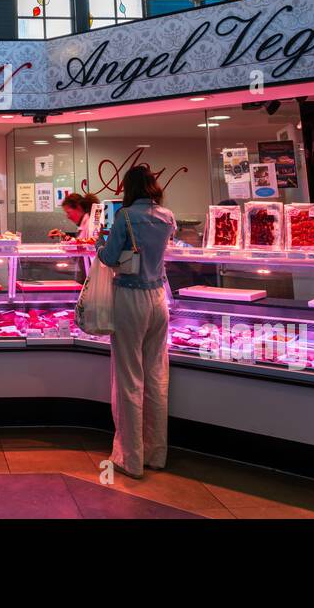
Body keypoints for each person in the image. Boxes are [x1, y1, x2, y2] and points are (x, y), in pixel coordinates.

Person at [95, 165, 175, 479]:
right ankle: (156, 453)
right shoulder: (168, 217)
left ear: (128, 187)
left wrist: (98, 247)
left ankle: (130, 457)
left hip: (130, 298)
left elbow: (111, 257)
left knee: (129, 378)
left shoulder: (125, 217)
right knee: (156, 375)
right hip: (159, 298)